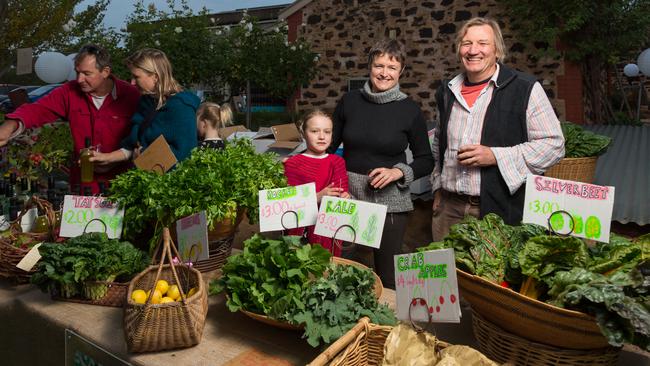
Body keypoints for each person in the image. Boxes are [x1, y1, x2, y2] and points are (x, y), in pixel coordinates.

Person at [431, 17, 565, 241]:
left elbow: (554, 145)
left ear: (497, 50)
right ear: (459, 49)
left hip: (497, 211)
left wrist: (495, 156)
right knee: (445, 276)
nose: (473, 50)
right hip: (448, 211)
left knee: (491, 276)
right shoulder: (447, 91)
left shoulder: (525, 88)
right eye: (467, 43)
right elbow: (438, 145)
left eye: (483, 43)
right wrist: (437, 187)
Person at [329, 39, 434, 288]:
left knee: (387, 277)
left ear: (401, 71)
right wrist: (305, 164)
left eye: (392, 67)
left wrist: (398, 171)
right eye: (379, 65)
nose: (384, 73)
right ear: (369, 66)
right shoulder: (349, 101)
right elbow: (329, 147)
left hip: (390, 201)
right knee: (341, 270)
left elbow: (426, 160)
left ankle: (382, 326)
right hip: (349, 195)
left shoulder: (409, 110)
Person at [0, 44, 140, 193]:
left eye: (87, 73)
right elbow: (37, 109)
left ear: (105, 72)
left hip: (123, 184)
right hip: (83, 186)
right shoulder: (69, 92)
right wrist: (10, 126)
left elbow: (145, 138)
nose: (79, 79)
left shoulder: (132, 96)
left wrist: (117, 157)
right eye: (77, 72)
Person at [90, 48, 199, 168]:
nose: (132, 82)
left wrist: (144, 159)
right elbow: (132, 146)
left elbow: (185, 156)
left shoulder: (181, 107)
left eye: (136, 77)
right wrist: (105, 158)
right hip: (143, 179)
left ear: (155, 77)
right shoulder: (146, 102)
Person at [284, 109, 350, 256]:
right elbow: (287, 203)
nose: (322, 137)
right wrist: (317, 197)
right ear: (303, 133)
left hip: (329, 230)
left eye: (327, 132)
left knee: (328, 269)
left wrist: (346, 198)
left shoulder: (337, 162)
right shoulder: (293, 163)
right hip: (301, 231)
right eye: (314, 131)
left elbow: (342, 191)